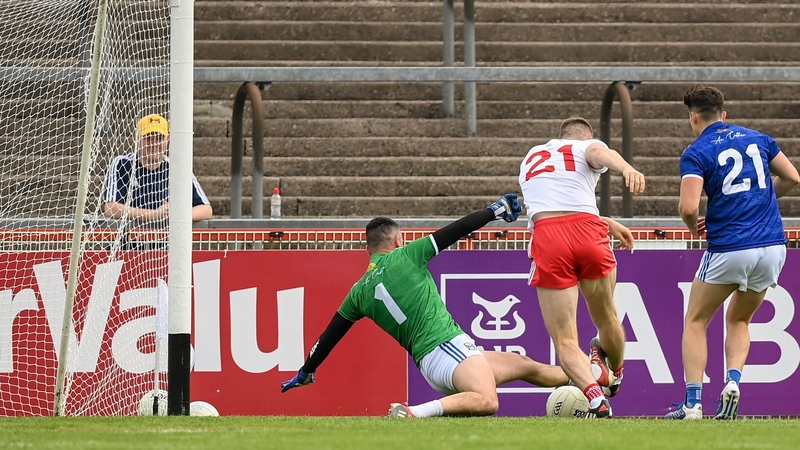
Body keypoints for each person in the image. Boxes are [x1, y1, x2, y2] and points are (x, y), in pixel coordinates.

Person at [280, 194, 574, 418]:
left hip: (435, 360)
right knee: (487, 400)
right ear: (398, 239)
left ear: (367, 249)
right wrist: (495, 210)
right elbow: (457, 229)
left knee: (528, 367)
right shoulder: (406, 255)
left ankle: (598, 379)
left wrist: (307, 370)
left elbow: (328, 337)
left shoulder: (358, 292)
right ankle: (413, 413)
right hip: (447, 348)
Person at [665, 85, 799, 420]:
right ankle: (734, 382)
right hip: (771, 246)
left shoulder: (696, 152)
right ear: (724, 114)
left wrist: (694, 224)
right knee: (740, 318)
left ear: (693, 117)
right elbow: (792, 177)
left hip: (730, 247)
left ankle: (693, 404)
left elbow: (688, 206)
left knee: (696, 320)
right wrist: (760, 202)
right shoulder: (759, 139)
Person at [517, 116, 646, 418]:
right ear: (587, 137)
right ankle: (614, 371)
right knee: (607, 319)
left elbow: (553, 203)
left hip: (548, 234)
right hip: (588, 232)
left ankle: (595, 399)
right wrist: (626, 168)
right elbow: (599, 155)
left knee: (565, 340)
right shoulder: (586, 147)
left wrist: (606, 221)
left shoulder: (531, 157)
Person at [103, 113, 213, 223]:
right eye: (148, 138)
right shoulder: (122, 164)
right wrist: (153, 215)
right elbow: (110, 208)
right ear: (137, 138)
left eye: (159, 138)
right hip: (131, 238)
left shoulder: (178, 168)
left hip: (168, 239)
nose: (154, 144)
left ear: (168, 138)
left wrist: (177, 214)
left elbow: (206, 209)